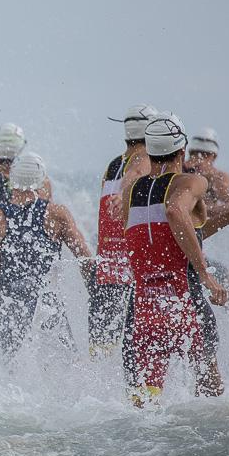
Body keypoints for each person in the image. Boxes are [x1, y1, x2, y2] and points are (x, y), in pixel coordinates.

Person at [121, 113, 229, 405]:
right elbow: (176, 212)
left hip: (143, 310)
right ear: (182, 149)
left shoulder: (131, 192)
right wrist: (205, 273)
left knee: (145, 405)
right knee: (210, 394)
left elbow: (173, 234)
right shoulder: (192, 181)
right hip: (183, 303)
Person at [0, 152, 94, 362]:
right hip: (48, 304)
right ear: (42, 180)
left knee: (11, 369)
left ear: (12, 179)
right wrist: (94, 294)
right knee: (65, 367)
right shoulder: (57, 214)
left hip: (12, 305)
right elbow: (85, 259)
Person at [90, 104, 156, 361]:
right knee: (133, 350)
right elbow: (136, 174)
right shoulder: (144, 160)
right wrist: (124, 194)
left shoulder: (112, 165)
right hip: (132, 271)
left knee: (101, 351)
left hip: (107, 268)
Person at [185, 126, 229, 299]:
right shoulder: (217, 177)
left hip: (181, 241)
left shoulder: (180, 169)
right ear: (214, 155)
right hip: (190, 246)